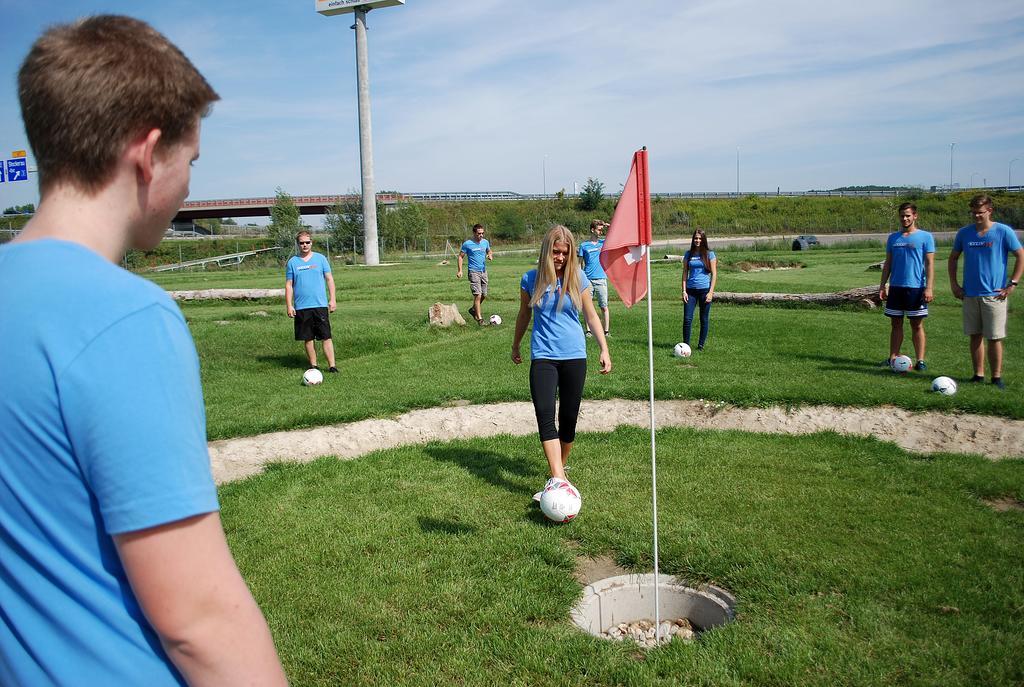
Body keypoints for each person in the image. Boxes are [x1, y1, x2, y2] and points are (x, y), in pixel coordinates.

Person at [0, 16, 287, 686]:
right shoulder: (127, 316)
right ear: (147, 151)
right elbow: (200, 622)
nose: (188, 184)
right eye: (190, 161)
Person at [511, 225, 611, 501]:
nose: (559, 258)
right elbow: (523, 315)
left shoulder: (578, 278)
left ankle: (559, 472)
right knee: (545, 415)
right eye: (555, 252)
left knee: (567, 420)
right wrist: (516, 344)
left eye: (564, 253)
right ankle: (557, 478)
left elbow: (591, 316)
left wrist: (604, 348)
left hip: (574, 356)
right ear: (546, 251)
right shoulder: (530, 280)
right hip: (542, 355)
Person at [947, 194, 1023, 389]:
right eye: (973, 213)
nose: (976, 216)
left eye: (980, 213)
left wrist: (1012, 283)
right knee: (974, 335)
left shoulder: (1003, 231)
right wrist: (955, 285)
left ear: (989, 211)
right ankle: (978, 374)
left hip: (994, 295)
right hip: (970, 294)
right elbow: (953, 258)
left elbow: (1020, 256)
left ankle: (996, 377)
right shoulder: (964, 233)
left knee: (994, 337)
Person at [879, 202, 935, 371]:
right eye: (902, 215)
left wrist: (929, 287)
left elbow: (930, 263)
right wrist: (883, 285)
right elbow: (888, 263)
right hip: (896, 287)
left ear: (915, 216)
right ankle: (893, 358)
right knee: (895, 324)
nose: (905, 218)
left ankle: (920, 361)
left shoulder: (925, 237)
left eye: (908, 215)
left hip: (916, 288)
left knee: (916, 325)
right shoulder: (893, 238)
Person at [286, 229, 338, 372]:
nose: (305, 245)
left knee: (326, 336)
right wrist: (289, 305)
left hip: (320, 305)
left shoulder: (321, 259)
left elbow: (329, 279)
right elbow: (289, 285)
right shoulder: (292, 262)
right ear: (298, 244)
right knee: (308, 338)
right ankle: (313, 366)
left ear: (311, 243)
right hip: (302, 307)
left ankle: (332, 366)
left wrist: (332, 299)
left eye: (307, 242)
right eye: (301, 243)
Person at [681, 229, 718, 351]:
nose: (697, 240)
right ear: (693, 240)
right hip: (690, 291)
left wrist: (711, 292)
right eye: (696, 238)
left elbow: (714, 274)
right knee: (687, 319)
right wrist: (684, 291)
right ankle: (685, 346)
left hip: (704, 291)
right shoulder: (688, 254)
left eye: (700, 238)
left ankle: (701, 346)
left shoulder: (710, 254)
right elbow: (685, 272)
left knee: (704, 319)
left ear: (703, 240)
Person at [578, 219, 611, 337]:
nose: (601, 232)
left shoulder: (604, 243)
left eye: (602, 230)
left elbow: (615, 234)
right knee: (588, 306)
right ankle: (589, 331)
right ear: (592, 230)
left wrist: (607, 225)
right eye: (599, 229)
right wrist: (580, 278)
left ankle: (606, 332)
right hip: (587, 280)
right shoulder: (583, 245)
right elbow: (579, 264)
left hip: (601, 279)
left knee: (604, 306)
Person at [456, 223, 493, 324]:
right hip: (473, 271)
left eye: (482, 233)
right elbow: (460, 257)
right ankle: (480, 319)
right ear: (474, 233)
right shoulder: (467, 244)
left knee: (484, 294)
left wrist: (490, 255)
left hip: (483, 271)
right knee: (478, 295)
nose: (481, 235)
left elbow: (489, 251)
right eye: (479, 233)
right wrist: (460, 270)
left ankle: (473, 310)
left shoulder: (485, 242)